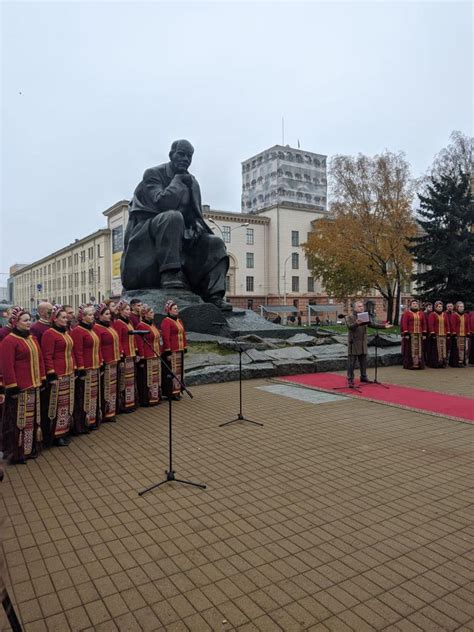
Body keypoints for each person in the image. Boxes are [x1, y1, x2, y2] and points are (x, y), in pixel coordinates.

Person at [121, 139, 231, 310]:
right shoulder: (153, 174)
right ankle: (170, 275)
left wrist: (196, 227)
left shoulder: (192, 182)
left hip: (180, 237)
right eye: (181, 154)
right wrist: (178, 180)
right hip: (146, 237)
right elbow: (163, 203)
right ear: (171, 154)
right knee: (172, 217)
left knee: (214, 242)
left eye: (189, 156)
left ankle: (213, 295)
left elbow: (195, 216)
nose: (186, 159)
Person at [0, 307, 45, 463]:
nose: (29, 323)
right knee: (18, 422)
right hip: (20, 387)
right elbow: (7, 366)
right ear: (15, 322)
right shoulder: (9, 341)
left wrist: (42, 378)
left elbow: (39, 359)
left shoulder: (32, 338)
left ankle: (30, 447)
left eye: (30, 319)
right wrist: (11, 385)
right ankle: (16, 453)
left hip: (34, 384)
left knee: (32, 419)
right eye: (25, 320)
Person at [41, 305, 75, 447]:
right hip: (58, 374)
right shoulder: (49, 333)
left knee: (66, 404)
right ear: (54, 319)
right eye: (63, 317)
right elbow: (47, 355)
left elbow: (71, 352)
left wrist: (75, 368)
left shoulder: (66, 332)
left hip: (68, 373)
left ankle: (65, 431)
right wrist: (51, 374)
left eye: (66, 317)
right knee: (57, 405)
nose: (66, 319)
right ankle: (55, 435)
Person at [71, 304, 103, 433]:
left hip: (94, 366)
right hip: (86, 368)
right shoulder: (78, 331)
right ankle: (82, 424)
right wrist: (81, 368)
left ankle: (92, 420)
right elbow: (77, 351)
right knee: (84, 396)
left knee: (93, 395)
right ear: (82, 317)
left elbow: (98, 347)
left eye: (92, 314)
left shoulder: (92, 329)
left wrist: (100, 363)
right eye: (89, 315)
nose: (92, 317)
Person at [345, 301, 391, 388]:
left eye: (362, 306)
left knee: (363, 361)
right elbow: (349, 327)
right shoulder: (350, 317)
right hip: (354, 343)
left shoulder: (365, 316)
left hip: (363, 343)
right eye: (359, 306)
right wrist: (356, 323)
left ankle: (363, 377)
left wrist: (384, 326)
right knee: (351, 363)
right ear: (354, 308)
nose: (361, 308)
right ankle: (350, 379)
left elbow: (372, 324)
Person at [93, 303, 121, 422]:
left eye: (109, 313)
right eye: (106, 314)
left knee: (112, 387)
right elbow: (98, 346)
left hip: (114, 360)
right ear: (99, 316)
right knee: (106, 388)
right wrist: (102, 361)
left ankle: (111, 411)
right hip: (106, 361)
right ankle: (105, 412)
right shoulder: (97, 328)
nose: (109, 316)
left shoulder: (110, 326)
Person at [112, 300, 139, 413]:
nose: (129, 312)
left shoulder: (129, 323)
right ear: (121, 311)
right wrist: (122, 354)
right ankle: (123, 404)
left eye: (129, 309)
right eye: (126, 310)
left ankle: (131, 402)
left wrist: (136, 351)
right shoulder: (118, 323)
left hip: (131, 353)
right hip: (125, 354)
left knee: (131, 380)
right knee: (124, 380)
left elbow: (134, 338)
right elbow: (118, 341)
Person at [135, 304, 162, 407]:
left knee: (155, 377)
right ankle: (147, 399)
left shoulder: (152, 324)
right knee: (147, 378)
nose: (153, 314)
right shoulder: (141, 326)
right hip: (147, 356)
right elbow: (140, 342)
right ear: (145, 314)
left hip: (155, 354)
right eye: (151, 312)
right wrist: (141, 357)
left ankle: (155, 397)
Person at [160, 300, 187, 400]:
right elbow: (165, 337)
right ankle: (171, 392)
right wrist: (168, 351)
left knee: (179, 371)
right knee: (171, 371)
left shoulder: (179, 321)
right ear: (169, 311)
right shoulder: (166, 321)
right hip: (172, 351)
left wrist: (184, 346)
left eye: (177, 308)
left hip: (179, 350)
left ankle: (177, 390)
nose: (177, 310)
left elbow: (183, 334)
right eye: (175, 309)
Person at [400, 299, 426, 370]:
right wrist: (406, 333)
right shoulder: (407, 313)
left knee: (419, 349)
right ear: (410, 305)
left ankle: (419, 363)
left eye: (416, 304)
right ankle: (411, 364)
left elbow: (423, 323)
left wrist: (424, 333)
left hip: (419, 334)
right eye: (413, 304)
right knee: (410, 349)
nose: (415, 305)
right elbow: (404, 323)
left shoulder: (421, 313)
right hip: (410, 334)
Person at [426, 300, 450, 368]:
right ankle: (436, 363)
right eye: (439, 307)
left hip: (443, 334)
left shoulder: (444, 314)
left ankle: (443, 362)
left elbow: (447, 324)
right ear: (435, 307)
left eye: (441, 306)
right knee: (436, 349)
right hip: (436, 335)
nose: (440, 308)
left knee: (443, 348)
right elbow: (431, 325)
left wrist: (448, 332)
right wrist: (432, 332)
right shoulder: (432, 314)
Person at [449, 301, 469, 367]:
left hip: (463, 334)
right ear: (457, 308)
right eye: (460, 307)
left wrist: (468, 332)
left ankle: (462, 361)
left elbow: (467, 325)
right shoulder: (454, 315)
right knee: (456, 349)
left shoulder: (466, 315)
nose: (462, 308)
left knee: (463, 348)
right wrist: (454, 333)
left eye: (463, 307)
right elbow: (452, 325)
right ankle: (456, 362)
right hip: (457, 335)